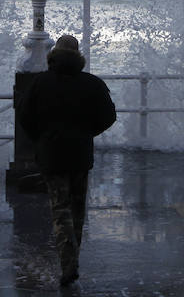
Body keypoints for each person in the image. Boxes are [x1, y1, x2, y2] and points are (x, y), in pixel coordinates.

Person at [17, 34, 116, 287]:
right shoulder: (92, 84)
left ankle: (67, 262)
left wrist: (42, 138)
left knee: (60, 209)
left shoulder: (40, 83)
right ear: (78, 55)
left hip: (51, 155)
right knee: (77, 210)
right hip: (80, 155)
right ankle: (73, 259)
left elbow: (25, 117)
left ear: (55, 54)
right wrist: (86, 133)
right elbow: (108, 116)